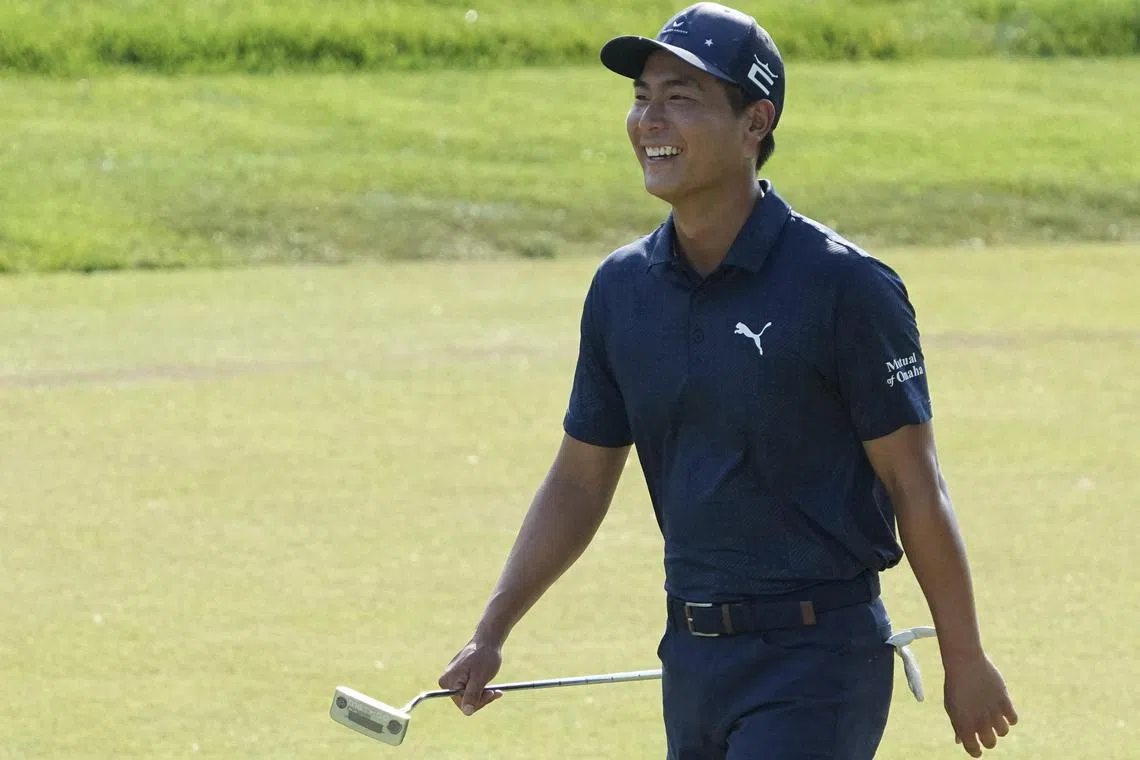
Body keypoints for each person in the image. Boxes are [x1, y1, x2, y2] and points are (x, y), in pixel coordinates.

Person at [437, 3, 1018, 758]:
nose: (651, 119)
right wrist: (492, 630)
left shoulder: (845, 287)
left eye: (682, 98)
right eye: (643, 96)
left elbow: (916, 483)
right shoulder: (622, 290)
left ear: (755, 123)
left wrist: (964, 659)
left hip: (820, 661)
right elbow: (580, 481)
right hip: (692, 659)